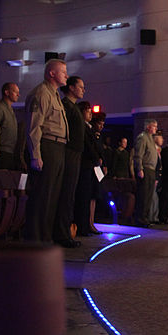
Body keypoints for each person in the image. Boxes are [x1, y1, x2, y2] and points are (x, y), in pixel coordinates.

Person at [23, 58, 69, 243]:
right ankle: (35, 238)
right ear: (51, 73)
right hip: (47, 146)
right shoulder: (41, 93)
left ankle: (45, 236)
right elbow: (34, 127)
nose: (67, 75)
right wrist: (35, 155)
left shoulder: (55, 94)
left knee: (52, 196)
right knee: (42, 195)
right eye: (63, 71)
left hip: (58, 147)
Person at [53, 76, 86, 247]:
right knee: (65, 194)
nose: (83, 90)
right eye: (80, 87)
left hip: (75, 153)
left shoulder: (73, 107)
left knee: (70, 195)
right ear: (71, 88)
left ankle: (65, 232)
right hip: (69, 153)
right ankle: (62, 234)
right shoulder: (66, 106)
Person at [75, 101, 102, 238]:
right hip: (85, 165)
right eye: (88, 111)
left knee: (89, 196)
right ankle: (82, 227)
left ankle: (87, 225)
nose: (90, 114)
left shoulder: (90, 128)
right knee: (83, 197)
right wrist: (96, 156)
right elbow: (87, 146)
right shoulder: (83, 128)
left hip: (91, 166)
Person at [133, 118, 158, 227]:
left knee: (148, 196)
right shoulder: (143, 138)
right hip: (145, 169)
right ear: (148, 126)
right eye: (154, 126)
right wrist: (140, 169)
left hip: (151, 170)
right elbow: (139, 154)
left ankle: (146, 218)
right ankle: (140, 219)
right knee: (143, 196)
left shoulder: (151, 139)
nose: (156, 128)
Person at [0, 82, 22, 171]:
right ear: (7, 92)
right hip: (1, 151)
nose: (18, 94)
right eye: (15, 91)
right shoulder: (0, 108)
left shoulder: (10, 110)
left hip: (10, 151)